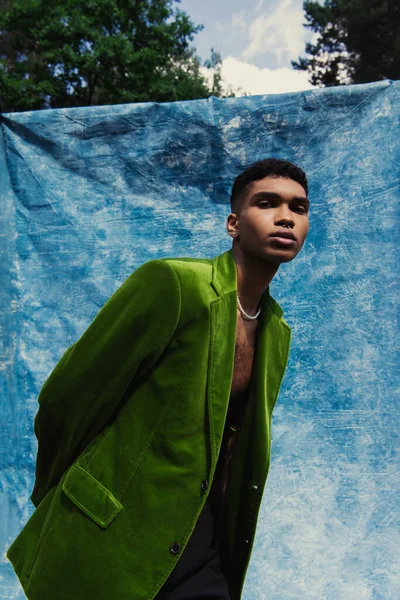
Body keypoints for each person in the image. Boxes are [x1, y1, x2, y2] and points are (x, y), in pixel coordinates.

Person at [7, 158, 310, 600]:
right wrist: (64, 500)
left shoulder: (275, 330)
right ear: (233, 223)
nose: (285, 217)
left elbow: (231, 442)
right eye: (267, 203)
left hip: (198, 543)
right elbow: (66, 400)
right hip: (114, 533)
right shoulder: (174, 284)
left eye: (299, 209)